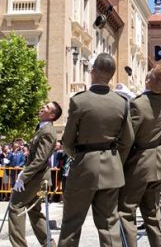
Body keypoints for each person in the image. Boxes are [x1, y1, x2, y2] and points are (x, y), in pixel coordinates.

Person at [59, 53, 135, 247]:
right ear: (112, 74)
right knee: (109, 225)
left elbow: (67, 140)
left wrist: (76, 156)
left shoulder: (79, 100)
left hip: (84, 165)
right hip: (112, 166)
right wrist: (117, 159)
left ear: (92, 72)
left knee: (72, 224)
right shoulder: (122, 102)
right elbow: (128, 139)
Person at [118, 65, 161, 247]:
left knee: (126, 211)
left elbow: (128, 138)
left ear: (148, 80)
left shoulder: (137, 104)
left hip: (139, 163)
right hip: (157, 161)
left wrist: (119, 163)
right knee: (152, 213)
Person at [8, 101, 62, 247]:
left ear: (52, 115)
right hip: (38, 177)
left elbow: (40, 159)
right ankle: (49, 244)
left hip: (36, 178)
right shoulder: (42, 128)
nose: (42, 107)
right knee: (35, 212)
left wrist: (23, 176)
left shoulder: (48, 132)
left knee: (16, 206)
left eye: (46, 107)